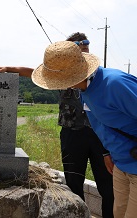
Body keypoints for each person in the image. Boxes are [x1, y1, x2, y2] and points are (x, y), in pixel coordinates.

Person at [0, 32, 114, 218]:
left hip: (100, 136)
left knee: (107, 186)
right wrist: (9, 68)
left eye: (86, 42)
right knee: (73, 183)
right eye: (78, 43)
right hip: (71, 135)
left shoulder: (99, 73)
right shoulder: (59, 75)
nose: (84, 45)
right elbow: (32, 72)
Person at [30, 40, 137, 218]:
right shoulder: (83, 90)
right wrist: (106, 152)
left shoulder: (115, 84)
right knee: (118, 213)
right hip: (121, 165)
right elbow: (102, 125)